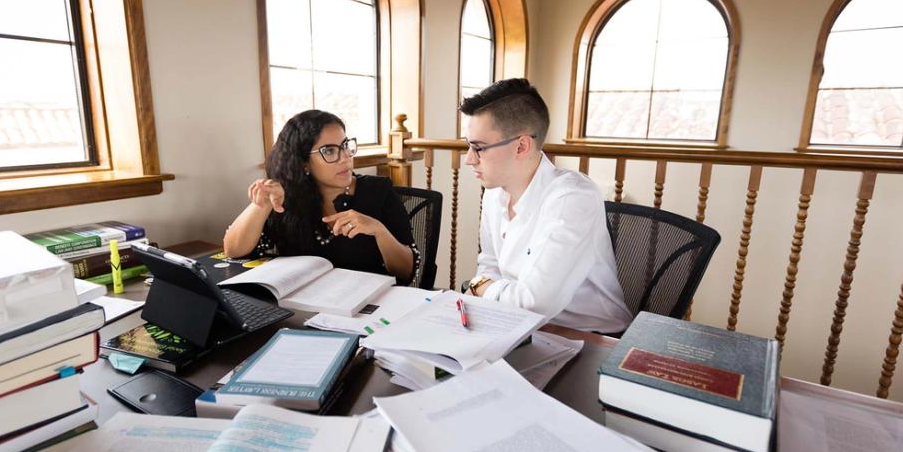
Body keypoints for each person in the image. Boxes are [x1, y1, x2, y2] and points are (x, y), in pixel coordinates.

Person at [461, 78, 632, 333]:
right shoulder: (493, 194)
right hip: (518, 326)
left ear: (521, 146)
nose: (468, 159)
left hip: (591, 339)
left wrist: (481, 287)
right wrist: (486, 288)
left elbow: (533, 304)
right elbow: (489, 263)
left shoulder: (573, 198)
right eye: (468, 146)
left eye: (479, 148)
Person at [224, 109, 417, 284]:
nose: (345, 157)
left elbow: (406, 272)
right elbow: (233, 251)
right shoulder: (286, 196)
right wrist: (262, 205)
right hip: (302, 310)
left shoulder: (378, 191)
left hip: (370, 308)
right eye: (329, 151)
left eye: (345, 146)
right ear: (303, 163)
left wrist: (379, 230)